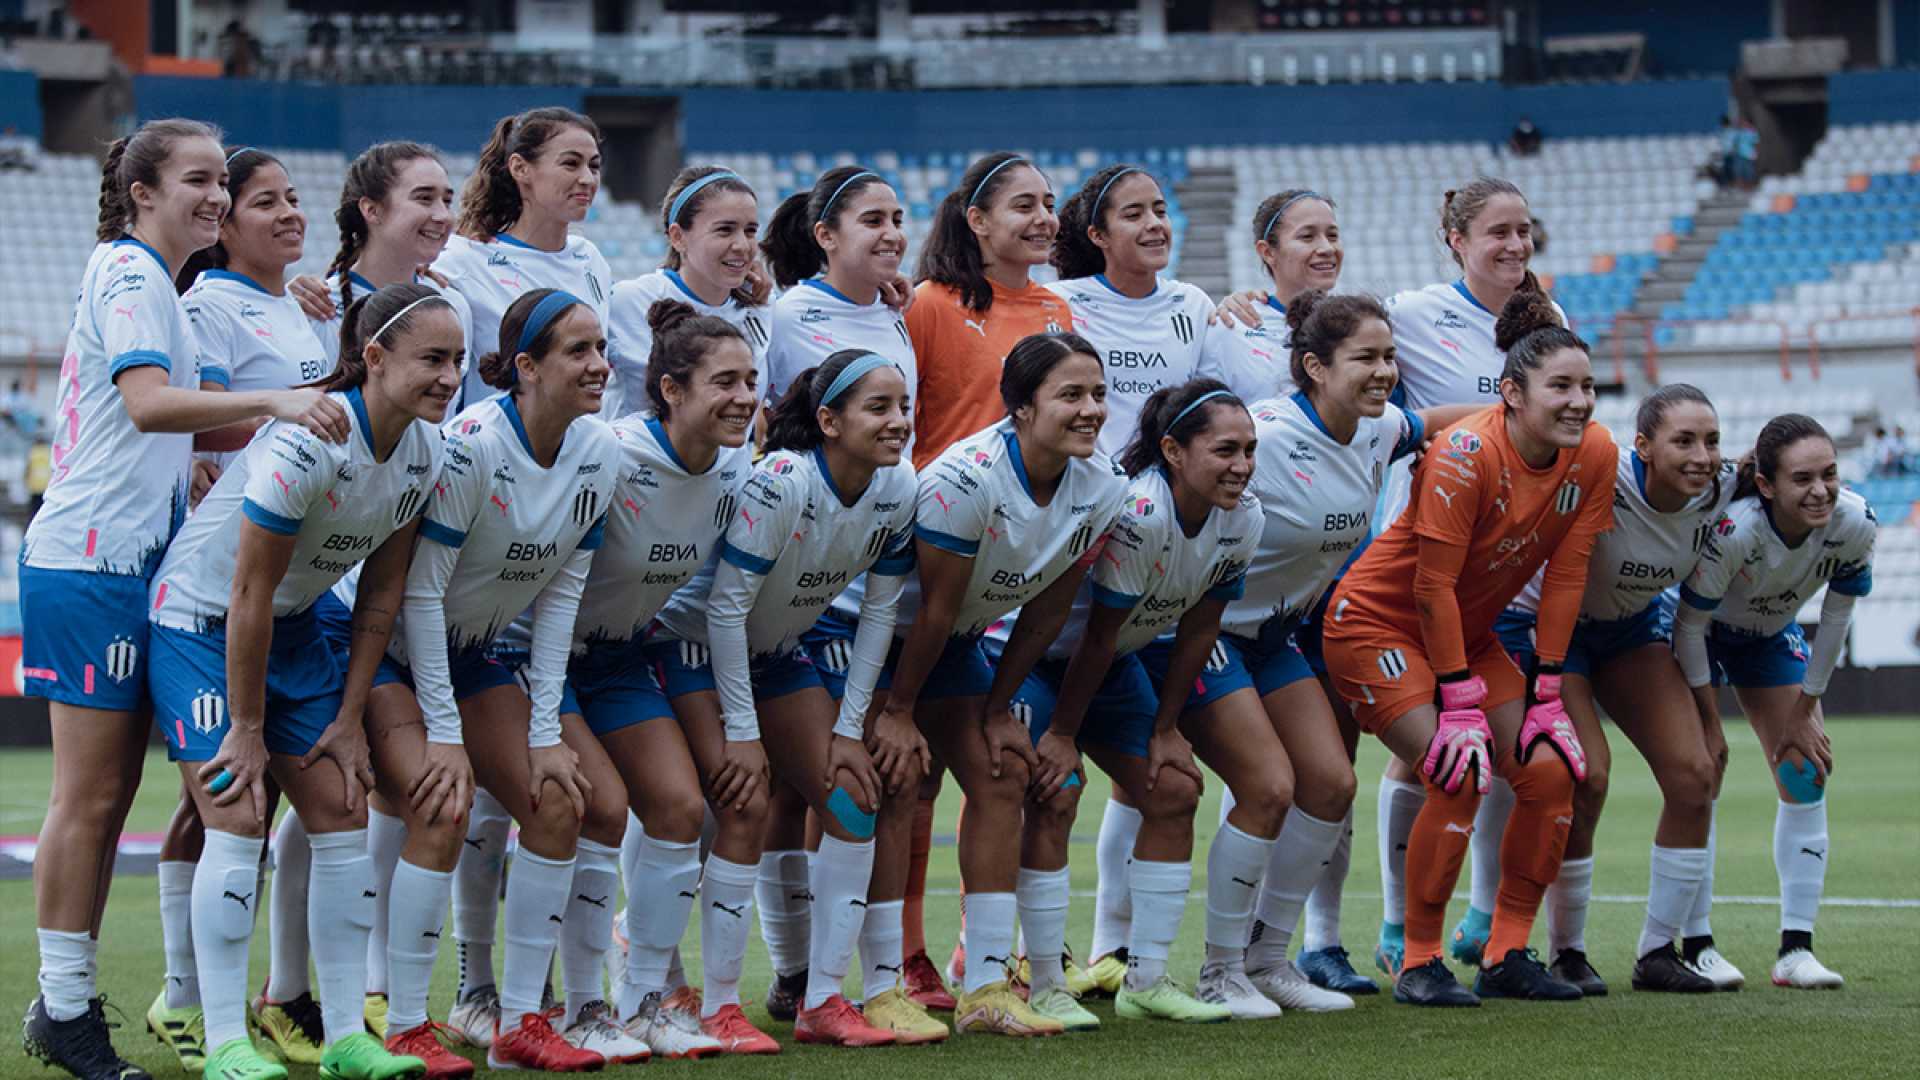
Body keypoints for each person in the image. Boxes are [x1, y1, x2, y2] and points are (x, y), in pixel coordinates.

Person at [20, 118, 348, 1080]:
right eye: (197, 181)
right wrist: (280, 404)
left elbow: (184, 435)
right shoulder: (130, 275)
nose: (214, 196)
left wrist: (308, 350)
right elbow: (151, 405)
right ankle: (67, 1009)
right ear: (143, 191)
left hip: (131, 560)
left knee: (121, 795)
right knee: (89, 798)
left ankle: (74, 1004)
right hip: (92, 559)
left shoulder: (158, 281)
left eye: (219, 181)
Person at [142, 281, 458, 1080]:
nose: (450, 376)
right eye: (432, 358)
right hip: (202, 624)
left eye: (457, 359)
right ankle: (223, 1043)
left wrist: (351, 716)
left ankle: (348, 1037)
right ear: (375, 357)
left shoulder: (425, 453)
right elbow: (247, 594)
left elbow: (381, 596)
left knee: (342, 807)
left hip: (294, 629)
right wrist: (246, 731)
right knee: (239, 809)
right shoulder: (308, 443)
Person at [337, 287, 622, 1071]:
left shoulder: (603, 455)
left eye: (602, 348)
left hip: (476, 656)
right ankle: (402, 1024)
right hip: (389, 652)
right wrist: (445, 733)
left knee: (561, 797)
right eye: (578, 351)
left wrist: (542, 733)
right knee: (442, 800)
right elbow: (418, 596)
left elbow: (560, 594)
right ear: (525, 368)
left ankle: (522, 1024)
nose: (600, 365)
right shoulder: (468, 448)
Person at [1323, 292, 1616, 1006]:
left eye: (1587, 386)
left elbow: (1567, 575)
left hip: (1470, 633)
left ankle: (1507, 952)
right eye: (1561, 387)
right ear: (1512, 394)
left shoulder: (1596, 452)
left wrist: (1547, 688)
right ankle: (1417, 959)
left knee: (1551, 776)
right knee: (1457, 772)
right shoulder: (1465, 452)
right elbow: (1431, 587)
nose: (1579, 402)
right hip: (1376, 626)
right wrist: (1457, 700)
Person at [1192, 293, 1473, 1017]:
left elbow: (1434, 422)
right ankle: (1219, 971)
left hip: (1277, 635)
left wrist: (1525, 416)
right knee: (1269, 788)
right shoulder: (1271, 438)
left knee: (1332, 785)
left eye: (1389, 357)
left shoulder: (1378, 429)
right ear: (1314, 367)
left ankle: (1268, 959)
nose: (1385, 372)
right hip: (1204, 633)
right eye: (1366, 359)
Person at [648, 348, 920, 1047]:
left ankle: (823, 1003)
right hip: (693, 649)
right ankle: (715, 1006)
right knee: (742, 800)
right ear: (828, 420)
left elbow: (881, 615)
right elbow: (724, 611)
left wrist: (852, 727)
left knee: (854, 796)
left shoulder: (898, 487)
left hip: (775, 652)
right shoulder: (781, 483)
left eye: (904, 407)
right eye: (879, 408)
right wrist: (742, 731)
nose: (899, 422)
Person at [866, 331, 1127, 1036]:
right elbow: (934, 610)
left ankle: (985, 986)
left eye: (1098, 394)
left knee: (1004, 770)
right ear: (1019, 408)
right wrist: (898, 712)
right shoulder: (967, 478)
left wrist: (997, 710)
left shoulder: (1102, 487)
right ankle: (877, 987)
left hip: (947, 646)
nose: (1091, 410)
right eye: (1070, 395)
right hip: (869, 640)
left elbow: (1043, 613)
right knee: (892, 780)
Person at [148, 145, 340, 1071]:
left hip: (291, 576)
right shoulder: (208, 306)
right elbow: (199, 418)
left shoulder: (292, 303)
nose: (290, 213)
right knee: (225, 799)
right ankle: (192, 1000)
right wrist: (285, 411)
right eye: (266, 201)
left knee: (229, 804)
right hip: (221, 564)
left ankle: (209, 997)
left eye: (295, 198)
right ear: (221, 224)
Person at [1008, 377, 1259, 1028]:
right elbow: (1095, 635)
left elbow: (1199, 629)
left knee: (1174, 786)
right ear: (1174, 452)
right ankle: (1041, 980)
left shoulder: (1245, 517)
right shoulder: (1141, 513)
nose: (1241, 466)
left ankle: (1145, 979)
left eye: (1249, 451)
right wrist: (1063, 732)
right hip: (1036, 662)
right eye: (1225, 450)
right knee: (1056, 789)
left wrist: (1169, 729)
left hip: (1112, 665)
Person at [1489, 386, 1737, 997]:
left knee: (1695, 773)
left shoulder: (1727, 489)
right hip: (1552, 630)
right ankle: (1566, 952)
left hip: (1630, 631)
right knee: (1587, 774)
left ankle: (1659, 951)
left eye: (1711, 440)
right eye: (1683, 440)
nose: (1701, 455)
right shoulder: (1601, 472)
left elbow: (1796, 486)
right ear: (1643, 447)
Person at [897, 148, 1071, 1011]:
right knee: (913, 778)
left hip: (1008, 580)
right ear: (976, 220)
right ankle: (903, 957)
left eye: (1051, 203)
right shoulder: (930, 306)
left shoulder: (1055, 308)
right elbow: (904, 428)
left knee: (999, 768)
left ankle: (982, 955)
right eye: (1024, 205)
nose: (1044, 217)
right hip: (931, 570)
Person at [562, 299, 759, 1056]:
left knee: (679, 807)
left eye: (750, 380)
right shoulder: (610, 457)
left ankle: (645, 999)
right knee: (590, 810)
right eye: (724, 381)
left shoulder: (735, 472)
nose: (743, 397)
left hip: (619, 657)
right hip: (527, 652)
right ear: (671, 390)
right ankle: (568, 1008)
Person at [1375, 177, 1557, 976]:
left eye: (1526, 230)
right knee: (1425, 755)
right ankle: (1393, 925)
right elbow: (1328, 354)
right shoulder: (1412, 315)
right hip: (1432, 566)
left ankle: (1483, 922)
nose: (1516, 245)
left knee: (1514, 754)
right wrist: (1241, 302)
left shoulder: (1548, 323)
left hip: (1519, 571)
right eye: (1498, 232)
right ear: (1456, 238)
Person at [751, 163, 920, 1019]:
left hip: (853, 589)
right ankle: (790, 973)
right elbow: (751, 421)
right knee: (773, 794)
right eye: (873, 219)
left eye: (899, 217)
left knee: (829, 785)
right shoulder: (784, 317)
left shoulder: (903, 313)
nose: (892, 232)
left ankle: (818, 983)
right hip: (769, 590)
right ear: (825, 234)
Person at [1672, 413, 1876, 990]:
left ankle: (1795, 951)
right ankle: (1698, 945)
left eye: (1829, 475)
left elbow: (1836, 616)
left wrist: (1804, 709)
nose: (1820, 490)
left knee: (1806, 771)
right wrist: (1710, 722)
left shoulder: (1854, 523)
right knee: (1699, 774)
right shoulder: (1737, 529)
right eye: (1803, 479)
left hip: (1768, 636)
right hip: (1698, 634)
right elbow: (1689, 628)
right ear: (1766, 485)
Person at [435, 107, 611, 410]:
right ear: (520, 168)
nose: (587, 179)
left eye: (593, 166)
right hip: (494, 453)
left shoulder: (591, 259)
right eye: (570, 163)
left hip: (584, 453)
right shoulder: (460, 261)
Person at [1046, 165, 1215, 460]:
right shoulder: (1059, 303)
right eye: (1133, 215)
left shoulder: (1194, 304)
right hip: (1085, 495)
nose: (1154, 224)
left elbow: (1208, 408)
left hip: (1167, 494)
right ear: (1098, 235)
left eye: (1160, 212)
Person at [299, 141, 476, 380]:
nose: (443, 215)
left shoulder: (453, 304)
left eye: (446, 201)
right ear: (372, 210)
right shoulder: (318, 308)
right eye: (424, 198)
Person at [604, 166, 770, 419]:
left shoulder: (766, 310)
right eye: (725, 230)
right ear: (678, 237)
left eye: (750, 231)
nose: (742, 245)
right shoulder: (628, 301)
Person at [1195, 189, 1341, 405]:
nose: (1327, 248)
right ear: (1268, 252)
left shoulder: (1358, 325)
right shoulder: (1231, 328)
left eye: (1333, 236)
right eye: (1307, 236)